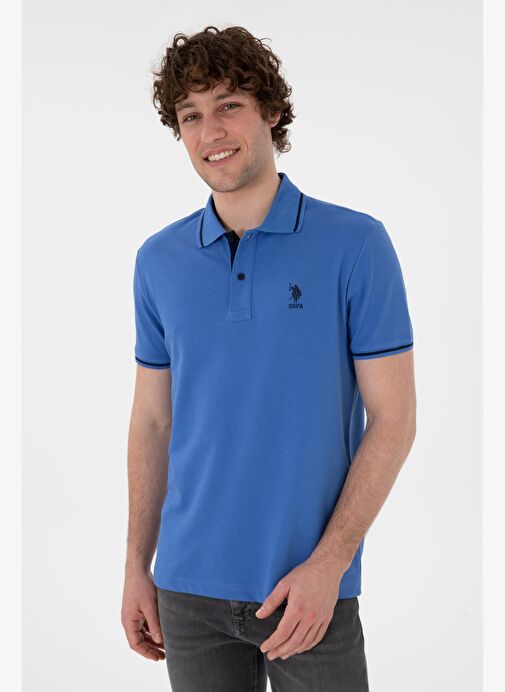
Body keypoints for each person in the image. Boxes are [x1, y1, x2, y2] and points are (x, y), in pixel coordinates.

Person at [121, 24, 416, 692]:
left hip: (308, 587)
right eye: (190, 115)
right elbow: (152, 423)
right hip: (186, 591)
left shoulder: (355, 244)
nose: (210, 132)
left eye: (228, 105)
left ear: (271, 111)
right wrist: (137, 565)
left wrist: (329, 565)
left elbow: (393, 418)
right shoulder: (158, 261)